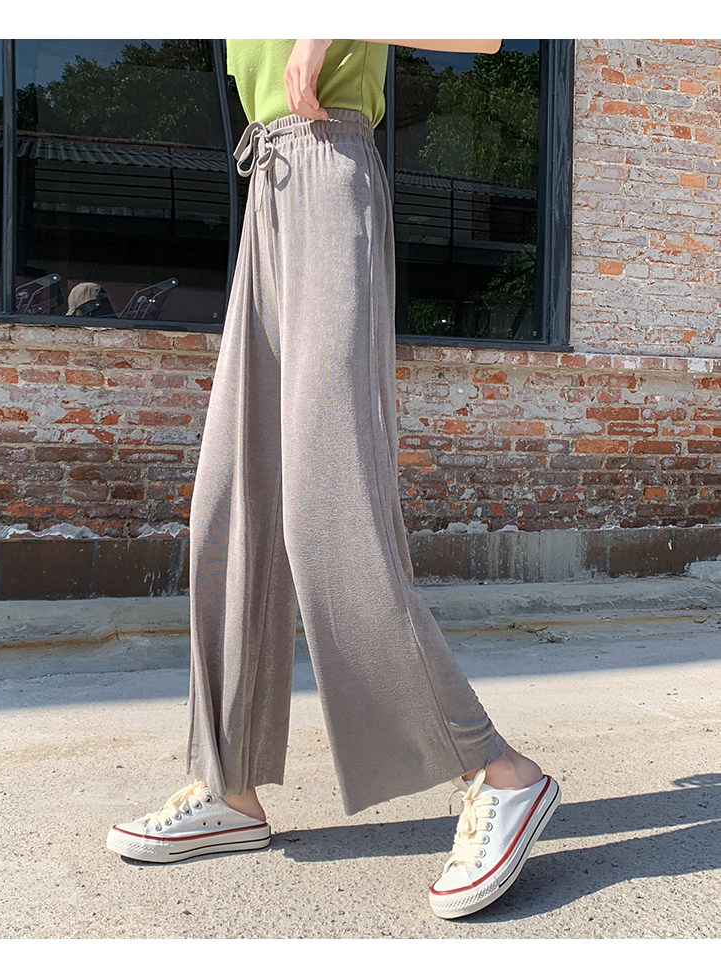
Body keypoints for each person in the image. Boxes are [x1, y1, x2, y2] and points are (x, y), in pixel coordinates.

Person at [106, 38, 561, 920]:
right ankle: (230, 785)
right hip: (268, 186)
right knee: (228, 508)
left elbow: (485, 31)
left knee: (328, 511)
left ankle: (500, 772)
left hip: (328, 167)